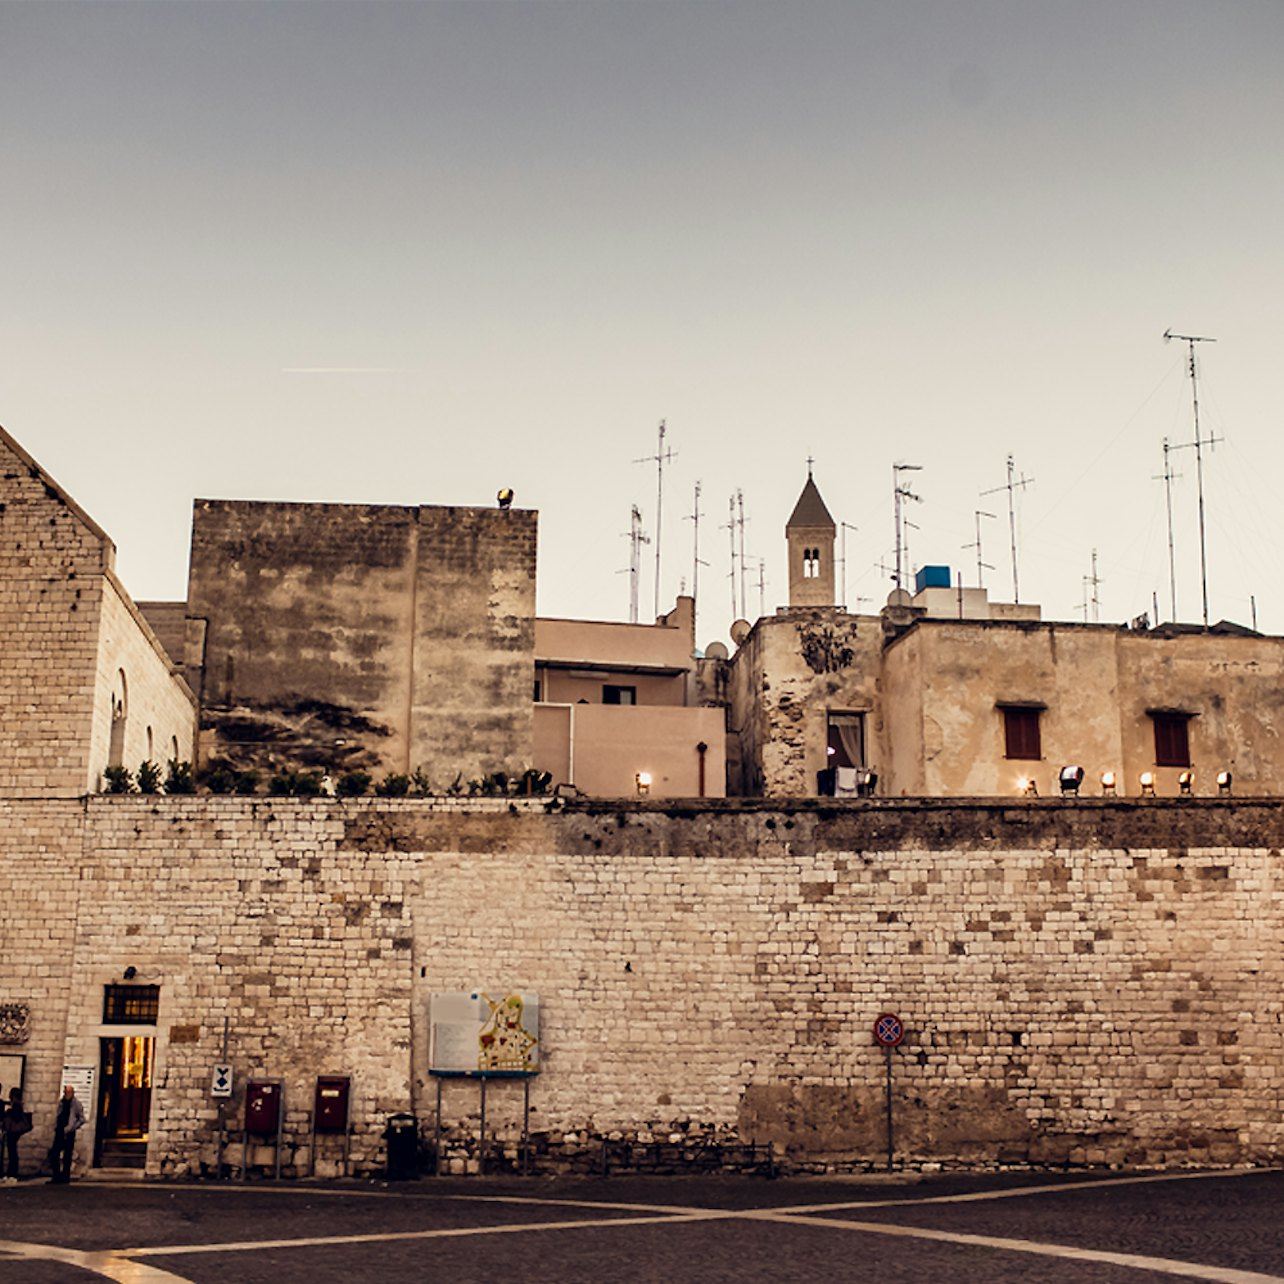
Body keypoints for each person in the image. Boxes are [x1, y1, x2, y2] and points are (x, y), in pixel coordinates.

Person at [48, 1085, 84, 1184]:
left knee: (67, 1155)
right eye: (65, 1092)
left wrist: (72, 1127)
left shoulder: (76, 1104)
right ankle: (56, 1176)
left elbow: (82, 1119)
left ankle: (65, 1177)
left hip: (69, 1132)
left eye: (68, 1092)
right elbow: (58, 1114)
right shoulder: (61, 1102)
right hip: (59, 1130)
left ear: (72, 1093)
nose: (66, 1094)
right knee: (54, 1153)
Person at [2, 1085, 31, 1182]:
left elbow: (16, 1116)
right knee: (12, 1151)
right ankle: (11, 1173)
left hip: (13, 1131)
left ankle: (12, 1173)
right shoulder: (16, 1104)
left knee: (12, 1152)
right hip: (14, 1131)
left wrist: (8, 1112)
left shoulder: (16, 1105)